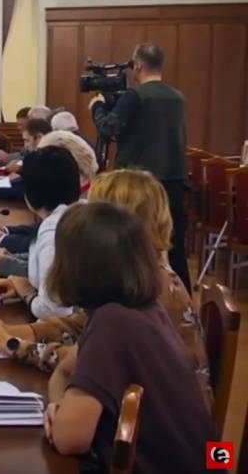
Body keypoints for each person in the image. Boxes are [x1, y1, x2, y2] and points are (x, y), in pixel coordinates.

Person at [0, 171, 211, 402]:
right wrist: (8, 331)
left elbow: (87, 362)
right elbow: (79, 325)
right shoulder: (137, 271)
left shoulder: (147, 289)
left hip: (151, 418)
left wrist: (14, 345)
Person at [40, 202, 215, 473]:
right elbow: (63, 371)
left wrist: (60, 413)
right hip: (207, 463)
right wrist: (59, 407)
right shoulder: (142, 309)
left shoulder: (112, 323)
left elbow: (70, 439)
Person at [90, 42, 190, 290]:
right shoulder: (178, 97)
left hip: (139, 185)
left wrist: (98, 107)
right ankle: (182, 300)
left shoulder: (135, 96)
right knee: (174, 247)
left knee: (133, 246)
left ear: (138, 66)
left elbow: (108, 129)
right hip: (174, 180)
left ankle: (136, 293)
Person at [0, 146, 79, 320]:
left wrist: (27, 293)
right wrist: (20, 283)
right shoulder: (75, 214)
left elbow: (54, 310)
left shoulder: (54, 230)